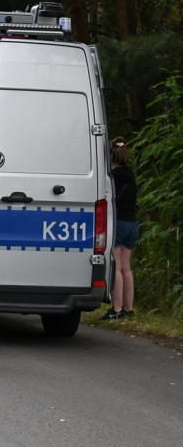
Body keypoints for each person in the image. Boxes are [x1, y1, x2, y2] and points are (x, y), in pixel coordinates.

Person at [101, 137, 139, 320]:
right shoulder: (131, 176)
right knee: (126, 268)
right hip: (132, 225)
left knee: (115, 267)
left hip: (118, 224)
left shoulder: (112, 178)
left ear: (111, 157)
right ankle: (128, 309)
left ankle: (116, 310)